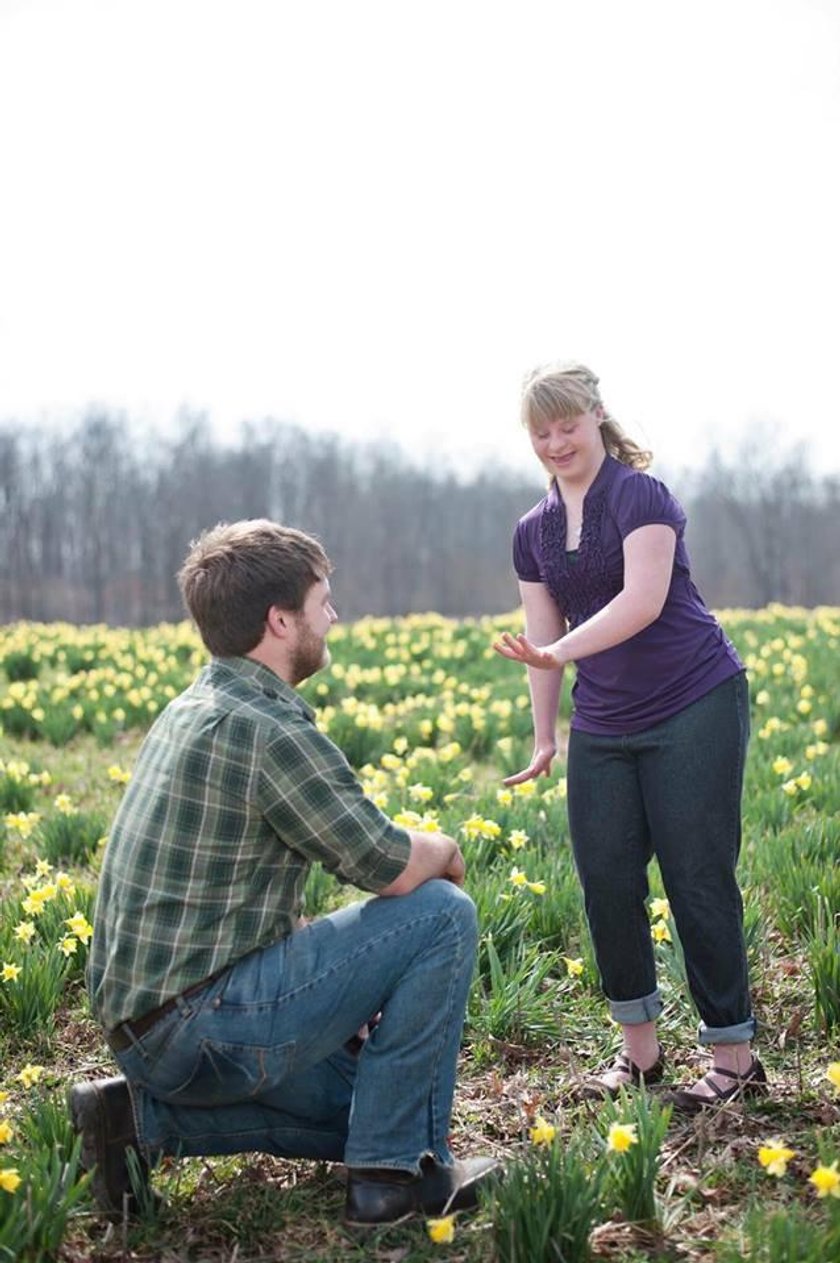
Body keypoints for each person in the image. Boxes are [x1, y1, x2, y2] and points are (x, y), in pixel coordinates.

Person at [70, 519, 497, 1226]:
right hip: (202, 1024)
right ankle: (391, 1183)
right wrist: (448, 849)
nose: (333, 615)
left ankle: (135, 1121)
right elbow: (389, 866)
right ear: (279, 619)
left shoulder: (193, 707)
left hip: (147, 1032)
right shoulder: (270, 730)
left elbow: (239, 901)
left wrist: (338, 999)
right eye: (323, 600)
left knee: (375, 1102)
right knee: (442, 914)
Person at [494, 363, 765, 1112]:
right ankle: (640, 1056)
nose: (556, 442)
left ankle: (734, 1057)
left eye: (567, 426)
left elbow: (642, 602)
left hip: (693, 701)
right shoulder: (531, 531)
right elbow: (542, 635)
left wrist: (561, 652)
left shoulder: (643, 497)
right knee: (607, 877)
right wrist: (545, 733)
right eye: (541, 432)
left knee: (695, 875)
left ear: (596, 416)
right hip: (606, 721)